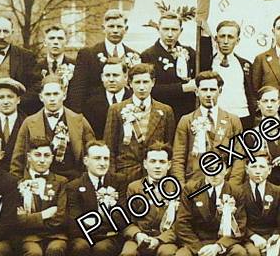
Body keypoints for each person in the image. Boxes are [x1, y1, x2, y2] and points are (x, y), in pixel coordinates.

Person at [61, 140, 129, 256]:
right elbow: (75, 221)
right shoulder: (74, 186)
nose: (102, 163)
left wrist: (97, 224)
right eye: (97, 158)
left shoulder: (119, 181)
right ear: (86, 161)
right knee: (79, 248)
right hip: (83, 237)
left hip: (109, 239)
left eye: (106, 158)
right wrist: (105, 226)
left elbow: (122, 217)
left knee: (102, 249)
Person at [7, 138, 69, 256]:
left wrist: (31, 220)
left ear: (52, 158)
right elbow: (15, 220)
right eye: (37, 155)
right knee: (34, 253)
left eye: (46, 156)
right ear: (29, 157)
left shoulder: (61, 182)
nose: (42, 160)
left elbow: (61, 217)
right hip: (28, 238)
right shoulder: (16, 182)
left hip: (56, 236)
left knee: (55, 250)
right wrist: (43, 216)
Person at [116, 142, 180, 256]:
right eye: (153, 161)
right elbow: (126, 220)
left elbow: (180, 224)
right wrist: (137, 235)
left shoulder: (177, 188)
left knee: (167, 253)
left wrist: (159, 240)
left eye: (162, 161)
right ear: (145, 164)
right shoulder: (134, 187)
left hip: (164, 237)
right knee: (127, 253)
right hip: (140, 236)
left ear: (169, 164)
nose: (157, 166)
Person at [103, 63, 176, 191]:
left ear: (153, 82)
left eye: (145, 82)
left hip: (155, 175)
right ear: (130, 83)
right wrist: (113, 176)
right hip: (125, 174)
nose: (142, 87)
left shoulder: (165, 111)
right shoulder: (116, 110)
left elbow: (169, 145)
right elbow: (109, 146)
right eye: (137, 82)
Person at [11, 75, 96, 180]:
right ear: (41, 97)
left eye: (56, 94)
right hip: (39, 182)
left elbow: (92, 155)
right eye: (48, 94)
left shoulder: (79, 121)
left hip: (72, 182)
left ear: (64, 95)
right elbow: (17, 161)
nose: (52, 99)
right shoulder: (29, 123)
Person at [171, 71, 243, 186]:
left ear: (220, 91)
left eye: (213, 90)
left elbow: (239, 156)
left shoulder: (232, 120)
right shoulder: (186, 120)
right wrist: (182, 187)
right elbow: (178, 158)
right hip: (194, 183)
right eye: (204, 90)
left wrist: (232, 186)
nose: (208, 94)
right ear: (196, 92)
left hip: (223, 182)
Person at [230, 85, 280, 187]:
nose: (269, 105)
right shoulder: (252, 133)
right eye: (265, 101)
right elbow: (246, 164)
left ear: (279, 102)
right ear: (259, 104)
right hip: (264, 186)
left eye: (273, 101)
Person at [70, 9, 140, 113]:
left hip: (127, 112)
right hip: (94, 113)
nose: (115, 30)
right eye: (111, 26)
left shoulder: (134, 56)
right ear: (103, 28)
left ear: (126, 29)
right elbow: (78, 89)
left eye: (119, 27)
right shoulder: (88, 54)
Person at [141, 11, 206, 121]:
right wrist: (182, 88)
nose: (170, 34)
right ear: (159, 29)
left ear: (181, 31)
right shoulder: (148, 56)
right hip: (160, 116)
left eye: (174, 30)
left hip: (188, 115)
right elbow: (149, 89)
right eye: (166, 29)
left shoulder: (191, 53)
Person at [211, 20, 256, 128]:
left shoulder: (245, 65)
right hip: (215, 118)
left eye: (230, 37)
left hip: (242, 118)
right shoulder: (208, 64)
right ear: (216, 39)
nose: (225, 41)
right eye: (222, 36)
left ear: (237, 40)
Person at [81, 58, 132, 139]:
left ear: (125, 77)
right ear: (102, 77)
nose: (111, 80)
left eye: (115, 75)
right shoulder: (90, 103)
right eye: (107, 75)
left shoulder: (133, 100)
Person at [0, 77, 27, 171]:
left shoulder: (28, 124)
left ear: (18, 100)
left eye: (10, 97)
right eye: (1, 97)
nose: (5, 102)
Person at [38, 26, 77, 110]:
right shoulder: (36, 67)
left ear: (66, 42)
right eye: (51, 38)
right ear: (45, 42)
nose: (55, 42)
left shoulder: (76, 66)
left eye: (60, 38)